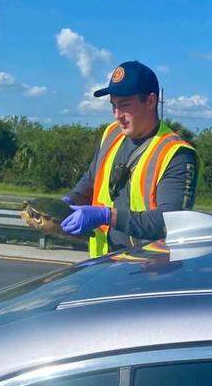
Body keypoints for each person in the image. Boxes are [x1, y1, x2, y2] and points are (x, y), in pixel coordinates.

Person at [61, 61, 198, 257]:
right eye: (113, 105)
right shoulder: (111, 134)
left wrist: (106, 216)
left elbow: (170, 221)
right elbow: (92, 179)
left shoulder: (177, 154)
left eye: (124, 105)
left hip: (149, 273)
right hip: (105, 265)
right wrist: (68, 201)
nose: (117, 115)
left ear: (151, 101)